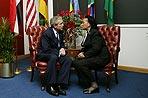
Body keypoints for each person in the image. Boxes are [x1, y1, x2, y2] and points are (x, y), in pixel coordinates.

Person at [72, 15, 110, 94]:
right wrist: (82, 52)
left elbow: (96, 49)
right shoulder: (88, 33)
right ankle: (86, 81)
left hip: (101, 58)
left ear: (89, 24)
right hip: (94, 56)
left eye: (83, 22)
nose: (81, 24)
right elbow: (87, 46)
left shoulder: (95, 33)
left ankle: (94, 85)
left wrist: (85, 55)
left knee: (81, 63)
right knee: (75, 62)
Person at [36, 16, 72, 96]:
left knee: (68, 60)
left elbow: (61, 43)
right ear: (55, 25)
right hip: (44, 54)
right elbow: (46, 49)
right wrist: (59, 52)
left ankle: (59, 84)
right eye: (61, 24)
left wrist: (62, 48)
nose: (63, 25)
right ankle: (50, 85)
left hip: (55, 54)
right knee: (53, 57)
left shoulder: (60, 31)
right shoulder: (47, 33)